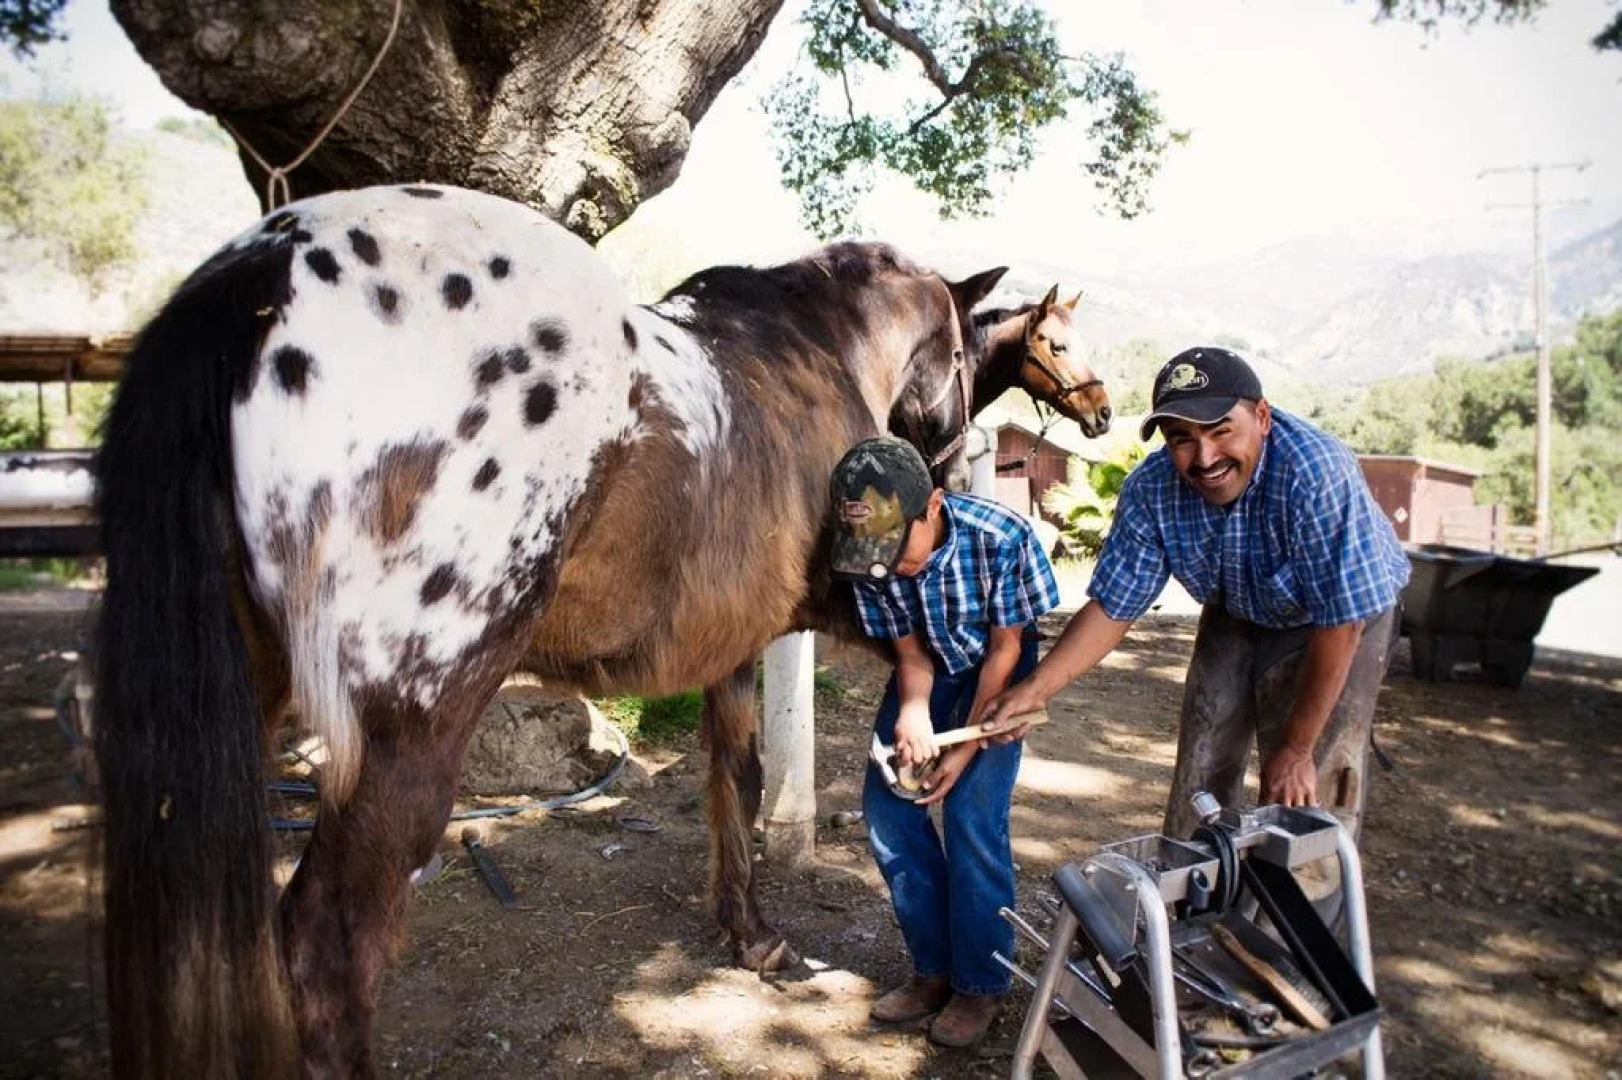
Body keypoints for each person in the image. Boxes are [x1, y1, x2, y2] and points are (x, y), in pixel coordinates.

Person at [981, 346, 1408, 859]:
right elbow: (1114, 606)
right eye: (1182, 438)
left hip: (1339, 616)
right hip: (1237, 606)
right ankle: (1190, 905)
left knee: (1306, 782)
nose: (1204, 458)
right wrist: (1036, 689)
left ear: (1263, 417)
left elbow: (1343, 622)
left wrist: (1295, 749)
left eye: (1221, 430)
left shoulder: (1315, 473)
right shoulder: (1152, 489)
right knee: (1203, 766)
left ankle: (1299, 923)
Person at [829, 435, 1060, 1048]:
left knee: (970, 812)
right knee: (889, 811)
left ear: (932, 505)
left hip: (997, 664)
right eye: (875, 553)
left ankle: (980, 983)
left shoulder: (999, 537)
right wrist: (912, 713)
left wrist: (964, 749)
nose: (891, 567)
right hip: (929, 663)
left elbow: (1008, 648)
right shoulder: (868, 555)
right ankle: (934, 970)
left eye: (898, 547)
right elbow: (909, 654)